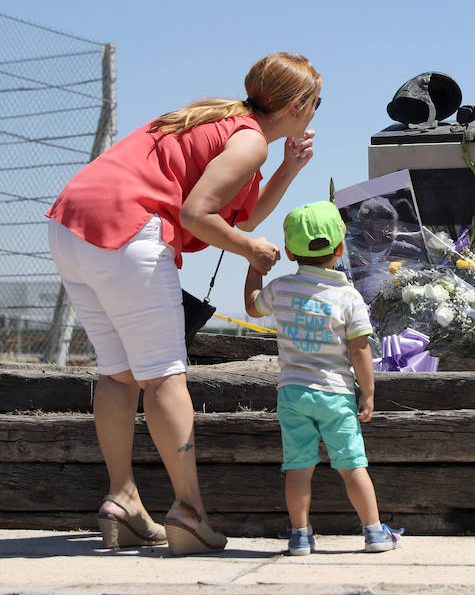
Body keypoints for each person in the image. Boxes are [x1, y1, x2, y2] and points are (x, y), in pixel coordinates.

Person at [45, 51, 321, 555]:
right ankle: (188, 511)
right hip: (128, 231)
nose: (316, 112)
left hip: (70, 225)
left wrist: (289, 168)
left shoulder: (219, 119)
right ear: (297, 104)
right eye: (316, 103)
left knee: (118, 373)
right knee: (165, 376)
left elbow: (243, 214)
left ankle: (123, 500)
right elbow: (199, 215)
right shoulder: (248, 140)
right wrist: (253, 252)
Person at [244, 201, 404, 555]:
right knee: (352, 465)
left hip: (293, 395)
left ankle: (300, 536)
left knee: (299, 468)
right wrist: (368, 392)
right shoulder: (348, 297)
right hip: (335, 394)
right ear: (341, 248)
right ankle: (375, 532)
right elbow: (360, 349)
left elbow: (253, 305)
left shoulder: (283, 288)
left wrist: (255, 267)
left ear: (288, 252)